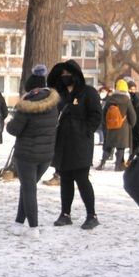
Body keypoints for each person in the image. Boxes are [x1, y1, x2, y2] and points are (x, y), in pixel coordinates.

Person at [48, 59, 102, 230]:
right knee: (65, 179)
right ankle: (65, 214)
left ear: (76, 74)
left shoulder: (88, 92)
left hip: (81, 143)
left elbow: (96, 115)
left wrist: (85, 131)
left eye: (68, 74)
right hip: (62, 142)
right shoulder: (60, 94)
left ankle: (91, 215)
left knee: (82, 179)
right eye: (62, 74)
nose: (65, 77)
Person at [6, 65, 59, 237]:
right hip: (46, 155)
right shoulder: (53, 104)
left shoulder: (26, 106)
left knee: (29, 190)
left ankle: (33, 228)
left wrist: (11, 120)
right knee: (27, 188)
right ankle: (18, 223)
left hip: (27, 155)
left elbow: (13, 129)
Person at [96, 79, 137, 171]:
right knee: (120, 147)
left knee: (108, 146)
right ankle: (118, 165)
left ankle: (102, 163)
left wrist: (106, 124)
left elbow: (104, 113)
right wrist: (132, 124)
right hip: (123, 128)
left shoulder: (110, 99)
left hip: (111, 127)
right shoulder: (126, 100)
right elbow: (132, 115)